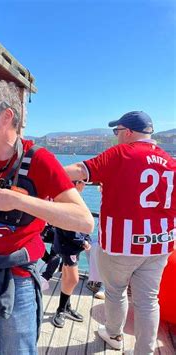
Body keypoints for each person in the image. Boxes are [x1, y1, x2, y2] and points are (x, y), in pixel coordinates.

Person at [0, 80, 94, 354]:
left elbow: (84, 220)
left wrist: (20, 200)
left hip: (19, 277)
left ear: (7, 116)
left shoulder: (40, 159)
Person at [64, 111, 176, 353]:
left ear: (127, 132)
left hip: (122, 245)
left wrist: (37, 175)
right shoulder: (170, 162)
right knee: (148, 301)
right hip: (159, 245)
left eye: (117, 132)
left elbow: (78, 170)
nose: (115, 137)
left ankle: (114, 335)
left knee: (115, 292)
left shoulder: (120, 154)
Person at [52, 180, 92, 328]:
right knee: (73, 279)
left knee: (67, 277)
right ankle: (61, 310)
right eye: (82, 182)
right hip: (68, 246)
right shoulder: (68, 203)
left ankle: (66, 306)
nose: (85, 185)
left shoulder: (74, 200)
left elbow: (83, 221)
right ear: (74, 184)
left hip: (72, 247)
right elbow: (68, 227)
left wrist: (85, 238)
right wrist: (83, 242)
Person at [39, 225, 61, 291]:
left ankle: (46, 277)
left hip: (57, 230)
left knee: (55, 253)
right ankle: (49, 261)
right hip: (55, 229)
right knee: (55, 253)